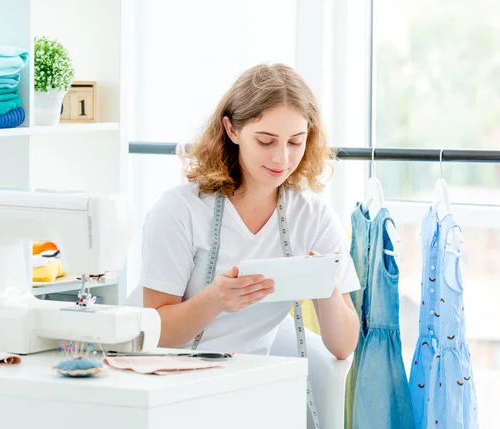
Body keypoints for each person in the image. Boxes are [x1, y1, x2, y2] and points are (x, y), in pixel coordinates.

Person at [133, 63, 361, 359]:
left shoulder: (313, 218)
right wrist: (215, 300)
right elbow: (154, 332)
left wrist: (326, 285)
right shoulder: (180, 211)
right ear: (232, 129)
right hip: (166, 374)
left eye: (296, 141)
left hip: (250, 380)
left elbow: (343, 347)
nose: (282, 158)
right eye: (265, 141)